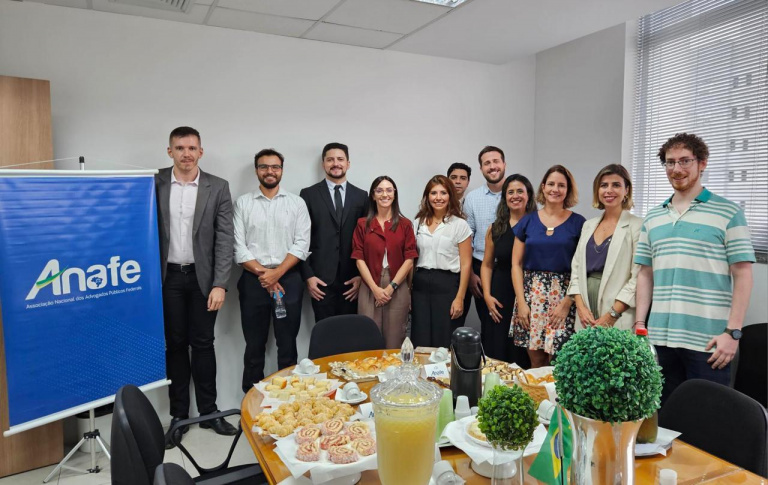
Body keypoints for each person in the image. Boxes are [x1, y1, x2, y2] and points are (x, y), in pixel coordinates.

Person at [634, 133, 755, 403]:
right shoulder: (653, 217)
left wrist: (733, 333)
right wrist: (640, 324)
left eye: (684, 161)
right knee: (662, 416)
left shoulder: (728, 212)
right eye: (670, 162)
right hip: (660, 340)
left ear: (702, 163)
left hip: (709, 342)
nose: (676, 169)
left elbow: (743, 274)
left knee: (706, 417)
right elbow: (645, 273)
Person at [155, 126, 236, 447]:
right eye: (180, 148)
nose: (186, 154)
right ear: (170, 151)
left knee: (203, 344)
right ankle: (179, 416)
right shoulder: (154, 183)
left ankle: (209, 412)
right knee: (174, 345)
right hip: (167, 279)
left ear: (201, 151)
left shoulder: (218, 186)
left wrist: (220, 284)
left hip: (204, 279)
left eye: (192, 148)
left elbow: (225, 239)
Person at [234, 148, 311, 392]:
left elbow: (302, 243)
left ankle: (286, 400)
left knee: (287, 345)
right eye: (264, 166)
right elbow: (238, 246)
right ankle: (251, 403)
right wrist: (265, 275)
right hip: (253, 281)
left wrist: (276, 274)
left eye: (275, 167)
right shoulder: (243, 203)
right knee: (254, 346)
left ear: (281, 171)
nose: (270, 171)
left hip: (288, 280)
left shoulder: (296, 203)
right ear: (257, 170)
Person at [511, 165, 585, 367]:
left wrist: (567, 303)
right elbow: (516, 264)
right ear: (543, 187)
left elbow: (581, 268)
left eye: (561, 185)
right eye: (551, 184)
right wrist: (521, 303)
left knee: (559, 363)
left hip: (564, 297)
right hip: (531, 297)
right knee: (536, 362)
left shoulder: (579, 223)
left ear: (568, 190)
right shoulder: (528, 221)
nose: (555, 189)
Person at [567, 164, 642, 331]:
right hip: (586, 312)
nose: (609, 190)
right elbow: (576, 270)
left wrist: (612, 314)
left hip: (617, 311)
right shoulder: (588, 225)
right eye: (604, 185)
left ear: (626, 190)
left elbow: (637, 278)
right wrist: (580, 307)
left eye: (616, 185)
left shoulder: (636, 226)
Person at [300, 143, 369, 323]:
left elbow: (366, 240)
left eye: (340, 159)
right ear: (323, 164)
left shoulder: (362, 196)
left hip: (352, 280)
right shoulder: (308, 195)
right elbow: (301, 238)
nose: (335, 163)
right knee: (324, 331)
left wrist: (361, 276)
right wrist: (308, 275)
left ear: (348, 163)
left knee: (349, 331)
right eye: (330, 160)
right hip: (320, 280)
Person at [352, 176, 418, 349]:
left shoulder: (405, 224)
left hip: (397, 285)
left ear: (395, 194)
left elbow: (409, 260)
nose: (384, 194)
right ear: (373, 195)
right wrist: (375, 289)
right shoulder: (362, 224)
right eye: (379, 190)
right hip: (369, 285)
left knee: (395, 339)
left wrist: (390, 288)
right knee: (368, 339)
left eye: (389, 190)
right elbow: (359, 260)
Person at [411, 175, 472, 348]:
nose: (438, 198)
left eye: (443, 193)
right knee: (421, 338)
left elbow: (466, 264)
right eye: (433, 193)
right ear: (427, 196)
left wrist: (460, 298)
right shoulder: (418, 223)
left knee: (444, 339)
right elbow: (412, 260)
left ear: (450, 195)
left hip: (447, 286)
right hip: (420, 286)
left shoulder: (460, 225)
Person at [480, 174, 536, 366]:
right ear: (504, 197)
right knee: (497, 346)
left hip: (529, 293)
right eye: (510, 192)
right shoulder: (495, 228)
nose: (515, 196)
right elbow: (487, 264)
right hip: (500, 294)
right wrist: (487, 295)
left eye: (520, 191)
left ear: (529, 195)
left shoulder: (538, 226)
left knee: (524, 351)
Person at [463, 146, 506, 345]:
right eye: (487, 163)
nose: (492, 166)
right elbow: (467, 238)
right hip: (481, 268)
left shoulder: (516, 194)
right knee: (488, 324)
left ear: (504, 164)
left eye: (496, 161)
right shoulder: (472, 198)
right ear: (481, 169)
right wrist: (471, 274)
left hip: (511, 268)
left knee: (512, 325)